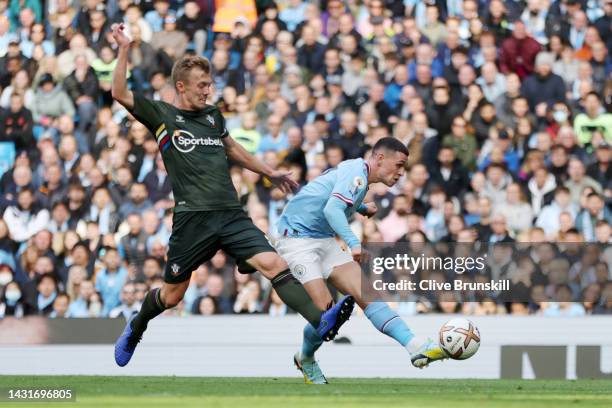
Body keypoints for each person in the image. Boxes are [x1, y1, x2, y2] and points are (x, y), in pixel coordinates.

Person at [110, 23, 354, 367]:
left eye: (210, 84)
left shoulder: (212, 116)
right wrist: (124, 49)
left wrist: (268, 172)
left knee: (274, 264)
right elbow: (119, 93)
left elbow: (231, 148)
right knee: (172, 295)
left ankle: (321, 320)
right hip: (192, 218)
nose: (208, 91)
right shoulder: (162, 115)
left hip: (229, 212)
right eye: (201, 85)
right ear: (180, 86)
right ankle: (138, 324)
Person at [274, 138, 447, 384]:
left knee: (367, 294)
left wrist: (361, 208)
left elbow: (327, 193)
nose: (401, 173)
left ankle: (414, 345)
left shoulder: (358, 174)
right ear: (379, 159)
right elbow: (331, 210)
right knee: (327, 315)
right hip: (297, 240)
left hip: (323, 239)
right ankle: (306, 358)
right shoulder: (357, 173)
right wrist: (355, 243)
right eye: (398, 165)